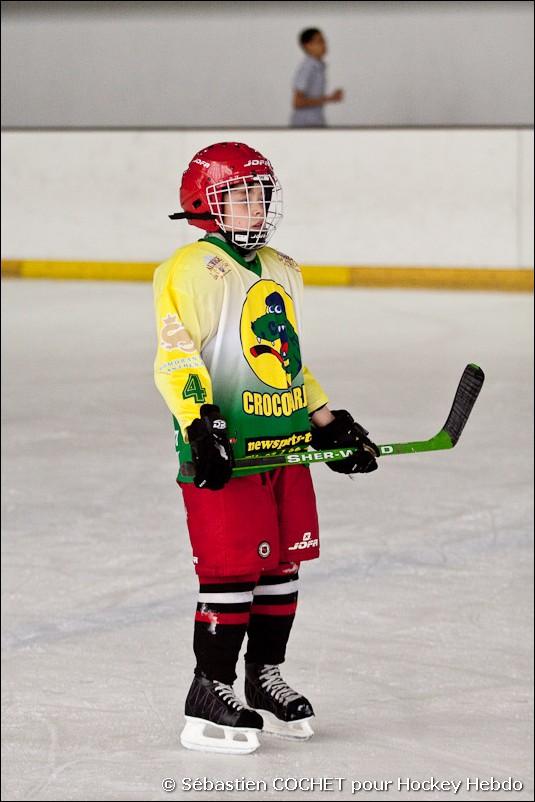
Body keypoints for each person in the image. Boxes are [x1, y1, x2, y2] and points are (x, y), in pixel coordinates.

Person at [153, 141, 378, 754]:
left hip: (283, 447)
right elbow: (176, 360)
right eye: (240, 194)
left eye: (261, 194)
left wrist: (328, 422)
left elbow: (286, 365)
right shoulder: (188, 269)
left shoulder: (281, 267)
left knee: (281, 568)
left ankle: (263, 676)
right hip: (227, 455)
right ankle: (209, 688)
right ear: (204, 204)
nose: (256, 205)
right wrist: (202, 425)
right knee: (231, 572)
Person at [290, 28, 344, 128]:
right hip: (305, 126)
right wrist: (329, 98)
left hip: (315, 123)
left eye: (324, 41)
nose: (324, 45)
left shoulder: (319, 67)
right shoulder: (307, 68)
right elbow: (297, 102)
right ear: (307, 46)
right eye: (319, 41)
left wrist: (329, 98)